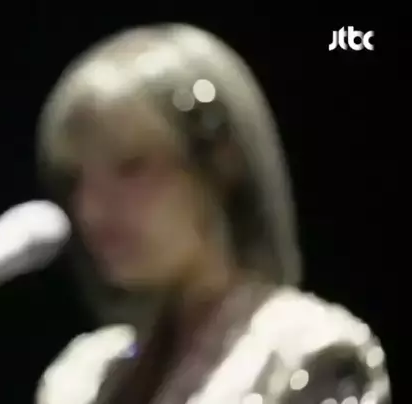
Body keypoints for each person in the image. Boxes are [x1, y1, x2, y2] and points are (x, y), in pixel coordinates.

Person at [34, 24, 391, 404]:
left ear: (221, 163)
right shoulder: (79, 376)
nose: (90, 209)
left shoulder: (308, 352)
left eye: (131, 166)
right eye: (75, 179)